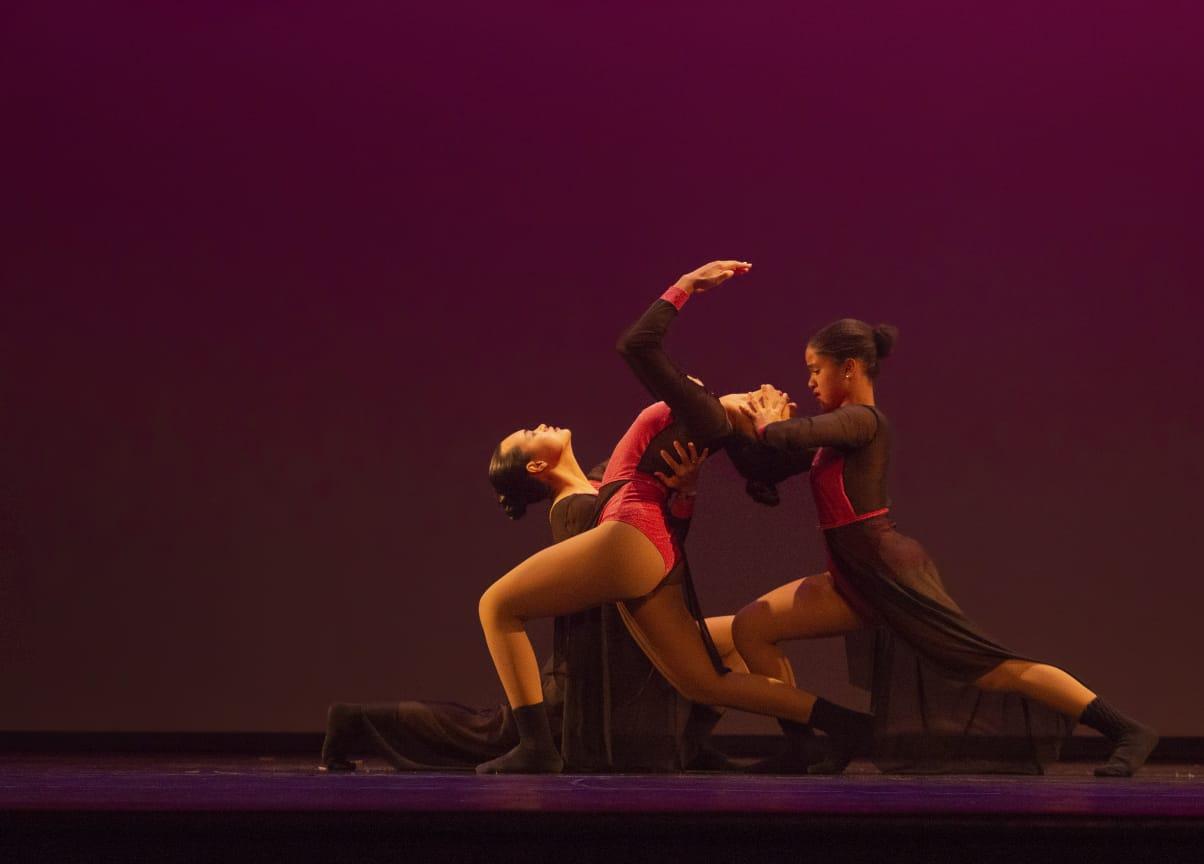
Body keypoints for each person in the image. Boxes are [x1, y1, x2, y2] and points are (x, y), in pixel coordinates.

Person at [476, 260, 874, 774]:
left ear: (758, 427)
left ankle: (535, 748)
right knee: (701, 681)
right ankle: (850, 727)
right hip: (648, 540)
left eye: (768, 404)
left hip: (631, 529)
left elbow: (636, 346)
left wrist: (686, 286)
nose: (765, 393)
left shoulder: (701, 411)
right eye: (769, 396)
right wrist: (686, 492)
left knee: (496, 606)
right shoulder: (706, 426)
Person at [732, 319, 1159, 777]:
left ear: (850, 368)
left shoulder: (862, 421)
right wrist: (730, 419)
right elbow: (766, 461)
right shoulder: (836, 436)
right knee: (752, 627)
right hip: (852, 577)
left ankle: (1126, 730)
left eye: (816, 369)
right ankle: (802, 745)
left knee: (994, 669)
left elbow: (782, 436)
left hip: (887, 573)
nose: (810, 381)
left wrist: (768, 420)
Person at [320, 444, 743, 771]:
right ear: (536, 467)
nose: (540, 425)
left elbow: (661, 553)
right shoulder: (574, 506)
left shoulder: (599, 487)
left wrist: (685, 491)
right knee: (489, 732)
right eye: (529, 435)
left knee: (737, 638)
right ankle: (353, 721)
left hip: (630, 643)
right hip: (601, 666)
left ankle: (688, 743)